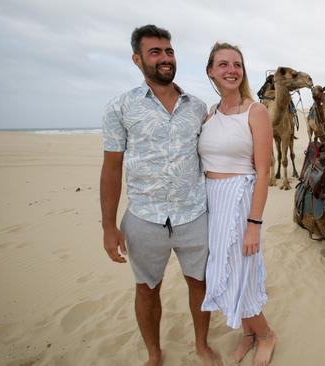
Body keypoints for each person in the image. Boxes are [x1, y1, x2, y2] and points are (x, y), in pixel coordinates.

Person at [99, 25, 221, 366]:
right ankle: (154, 352)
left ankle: (201, 345)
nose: (165, 58)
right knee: (146, 288)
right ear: (137, 59)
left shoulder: (197, 107)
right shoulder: (120, 108)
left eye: (168, 51)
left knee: (199, 283)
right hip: (144, 217)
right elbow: (111, 169)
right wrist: (109, 226)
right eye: (155, 52)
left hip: (194, 214)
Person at [198, 42, 277, 366]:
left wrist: (253, 225)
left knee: (238, 271)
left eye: (237, 64)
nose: (231, 70)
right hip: (213, 202)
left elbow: (264, 170)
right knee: (225, 271)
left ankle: (266, 335)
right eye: (223, 64)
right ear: (211, 71)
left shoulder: (254, 111)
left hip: (241, 202)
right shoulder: (210, 114)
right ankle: (248, 332)